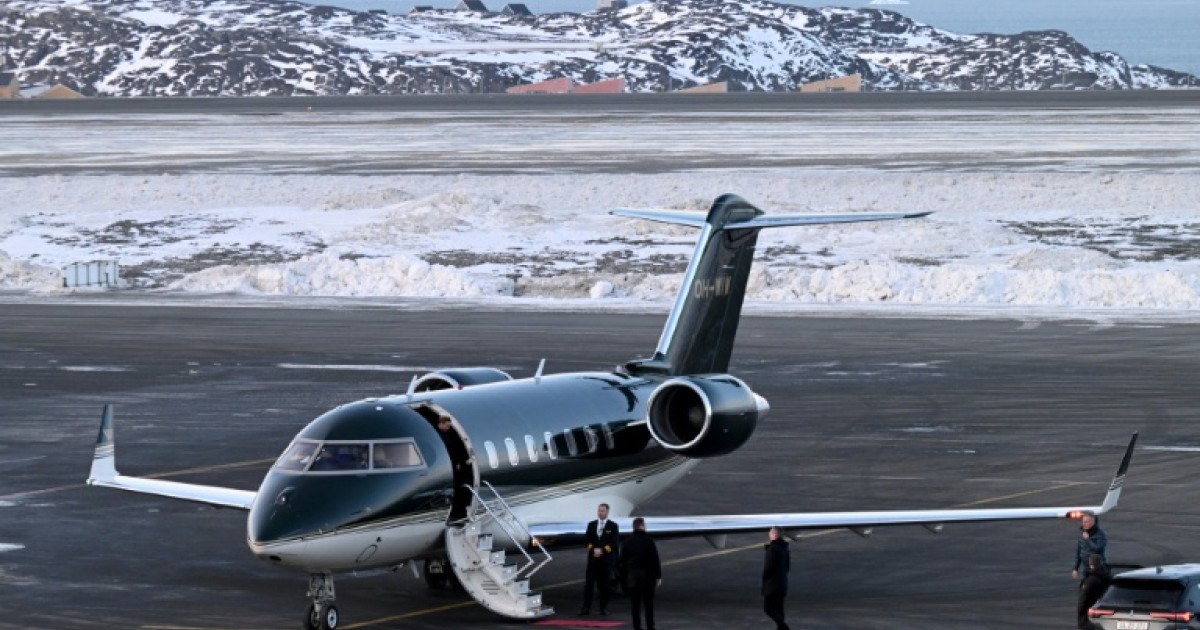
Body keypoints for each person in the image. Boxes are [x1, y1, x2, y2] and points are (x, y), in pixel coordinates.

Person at [620, 517, 662, 630]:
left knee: (635, 605)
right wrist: (658, 576)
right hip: (648, 577)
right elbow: (655, 559)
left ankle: (637, 627)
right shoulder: (649, 540)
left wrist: (624, 579)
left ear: (634, 527)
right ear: (642, 526)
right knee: (648, 604)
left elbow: (622, 562)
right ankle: (650, 626)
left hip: (633, 578)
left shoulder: (627, 541)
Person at [580, 502, 620, 615]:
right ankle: (585, 608)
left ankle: (603, 608)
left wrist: (602, 550)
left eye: (602, 511)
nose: (600, 512)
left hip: (605, 561)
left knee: (604, 585)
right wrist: (593, 550)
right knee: (588, 585)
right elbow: (586, 541)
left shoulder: (613, 526)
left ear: (607, 512)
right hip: (593, 561)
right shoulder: (591, 525)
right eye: (599, 510)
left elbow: (614, 543)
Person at [762, 526, 790, 630]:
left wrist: (765, 579)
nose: (769, 535)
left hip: (772, 585)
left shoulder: (772, 549)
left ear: (774, 535)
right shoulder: (785, 549)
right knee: (779, 609)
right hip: (782, 584)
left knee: (768, 608)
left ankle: (785, 628)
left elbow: (768, 568)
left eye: (770, 533)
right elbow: (787, 567)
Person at [1076, 553, 1112, 629]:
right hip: (1103, 610)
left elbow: (1083, 598)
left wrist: (1080, 613)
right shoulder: (1107, 577)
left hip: (1088, 614)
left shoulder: (1090, 580)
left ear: (1090, 563)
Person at [1071, 512, 1108, 582]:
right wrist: (1075, 568)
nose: (1084, 524)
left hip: (1098, 569)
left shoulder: (1100, 534)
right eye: (1083, 522)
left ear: (1092, 522)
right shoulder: (1083, 534)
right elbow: (1079, 553)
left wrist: (1088, 540)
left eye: (1086, 522)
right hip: (1086, 569)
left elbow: (1098, 548)